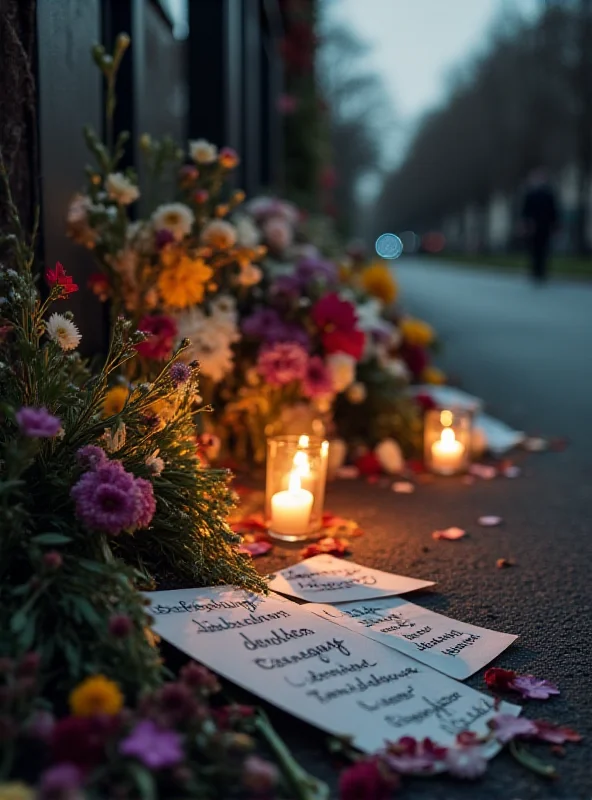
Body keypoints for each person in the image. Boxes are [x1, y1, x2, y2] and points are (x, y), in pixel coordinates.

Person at [521, 168, 559, 283]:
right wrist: (525, 223)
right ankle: (535, 271)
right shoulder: (530, 194)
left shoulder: (548, 194)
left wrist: (555, 224)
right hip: (533, 226)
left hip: (545, 226)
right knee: (534, 249)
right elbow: (525, 210)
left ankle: (542, 271)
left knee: (544, 249)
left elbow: (553, 211)